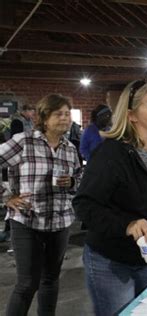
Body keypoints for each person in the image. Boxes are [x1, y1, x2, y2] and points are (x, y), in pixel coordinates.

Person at [72, 80, 147, 315]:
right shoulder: (111, 154)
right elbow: (84, 205)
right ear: (132, 116)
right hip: (112, 259)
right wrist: (126, 224)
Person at [0, 94, 81, 316]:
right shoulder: (23, 141)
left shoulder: (70, 148)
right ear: (44, 117)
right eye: (58, 114)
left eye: (67, 114)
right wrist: (6, 197)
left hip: (60, 221)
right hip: (28, 220)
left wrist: (73, 181)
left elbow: (79, 178)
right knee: (27, 284)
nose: (65, 118)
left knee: (50, 280)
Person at [0, 103, 36, 243]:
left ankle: (11, 231)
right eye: (31, 111)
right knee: (15, 195)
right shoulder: (17, 122)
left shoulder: (29, 122)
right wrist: (5, 197)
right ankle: (10, 232)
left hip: (24, 164)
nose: (33, 114)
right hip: (15, 163)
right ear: (25, 111)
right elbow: (16, 143)